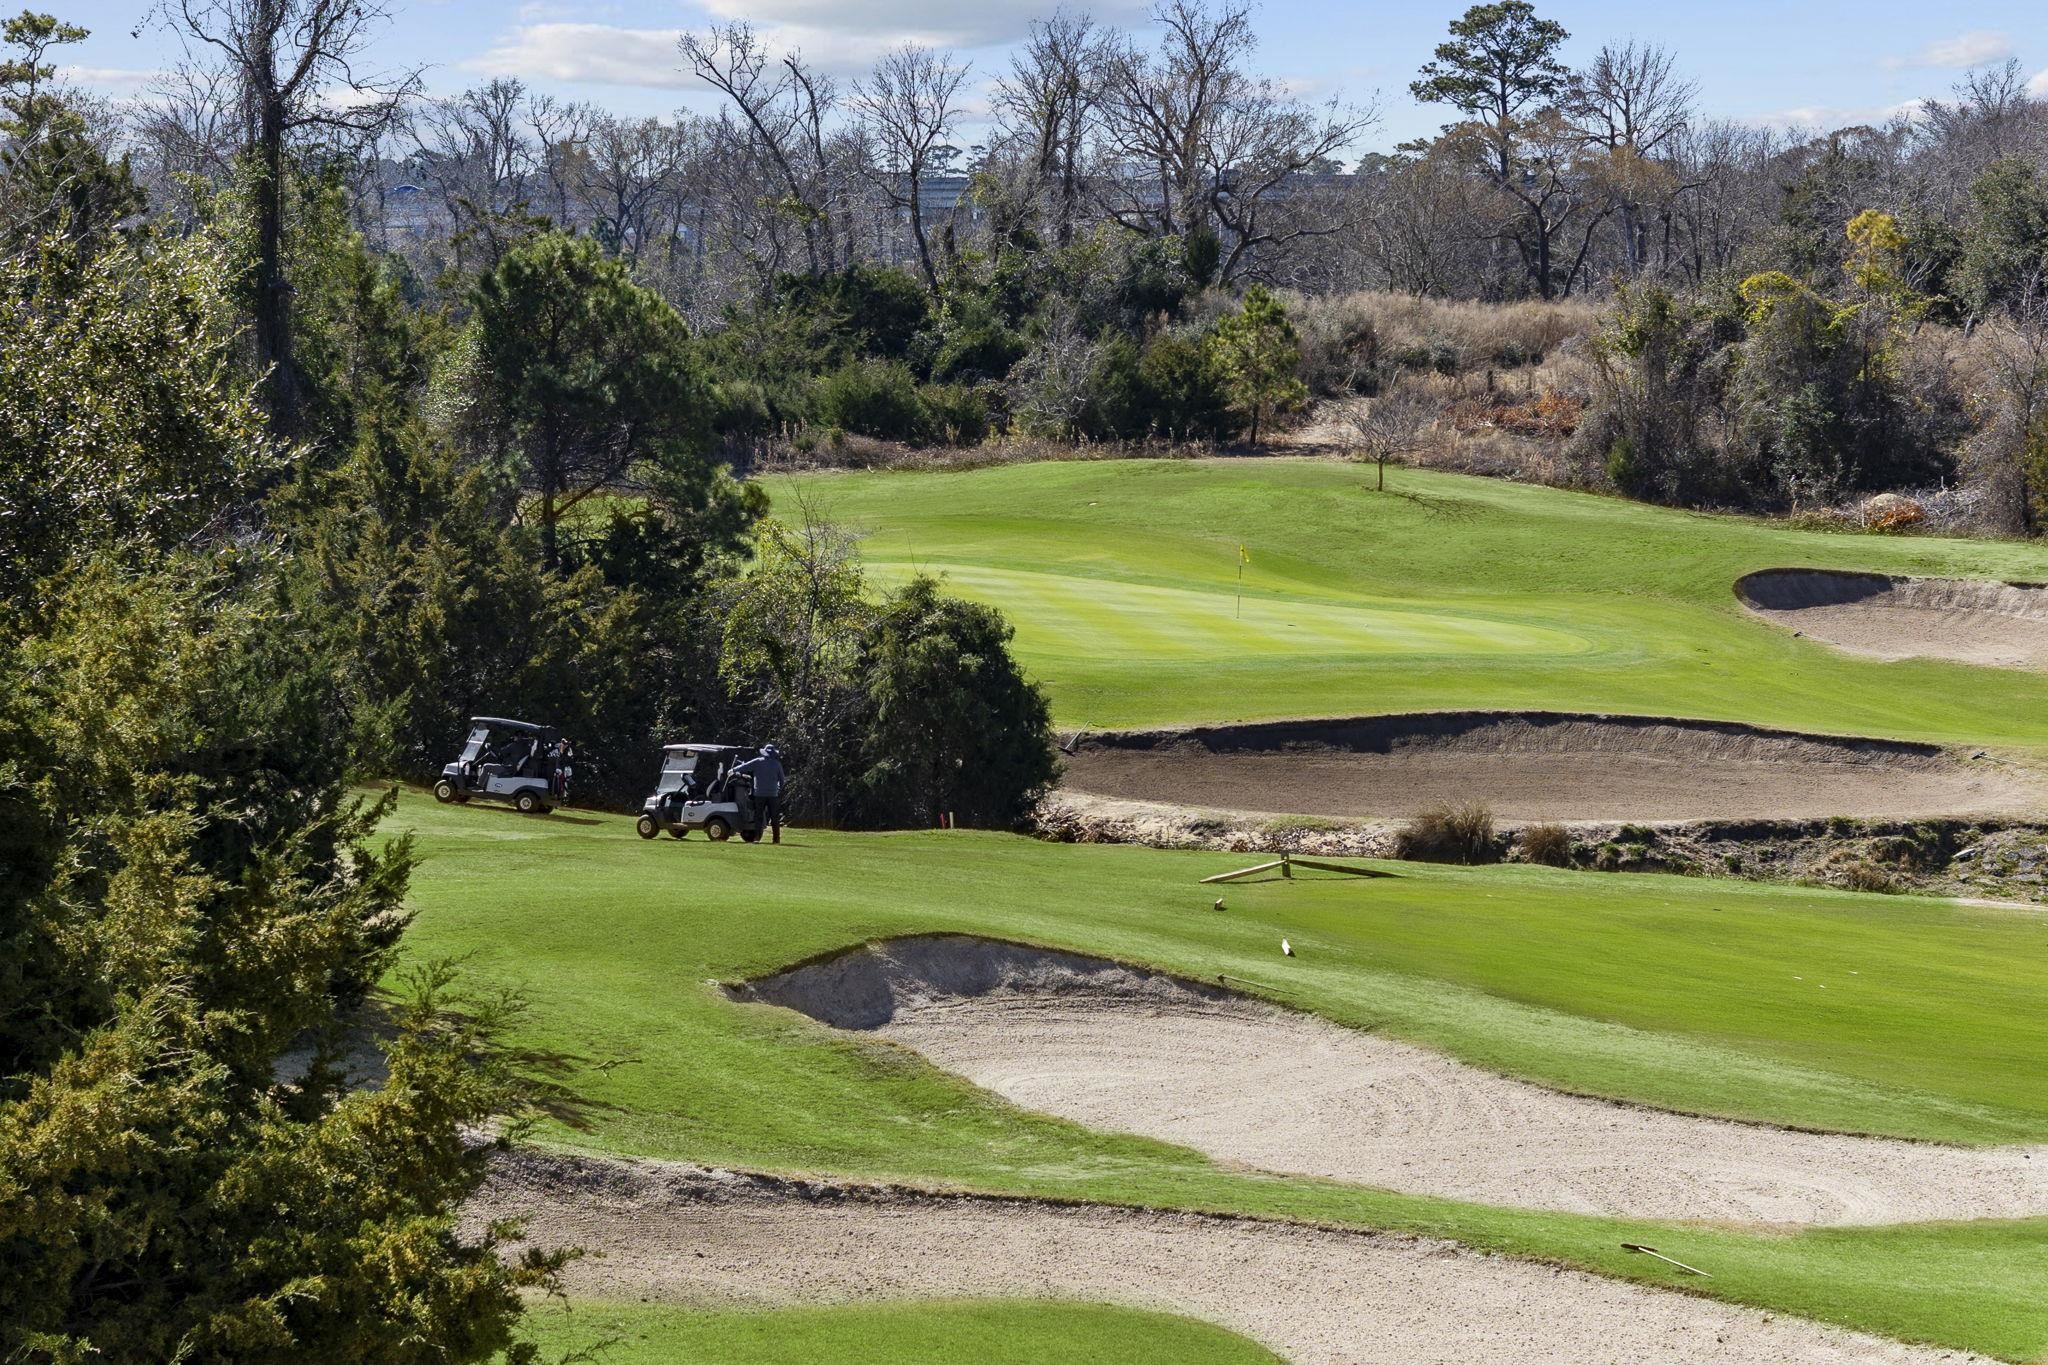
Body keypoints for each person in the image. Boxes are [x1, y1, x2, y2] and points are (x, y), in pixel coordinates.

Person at [730, 743, 786, 844]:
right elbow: (782, 780)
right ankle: (776, 840)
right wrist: (779, 790)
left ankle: (757, 838)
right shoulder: (777, 764)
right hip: (773, 795)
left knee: (758, 817)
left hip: (759, 794)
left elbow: (744, 766)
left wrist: (733, 770)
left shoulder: (757, 762)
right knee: (774, 817)